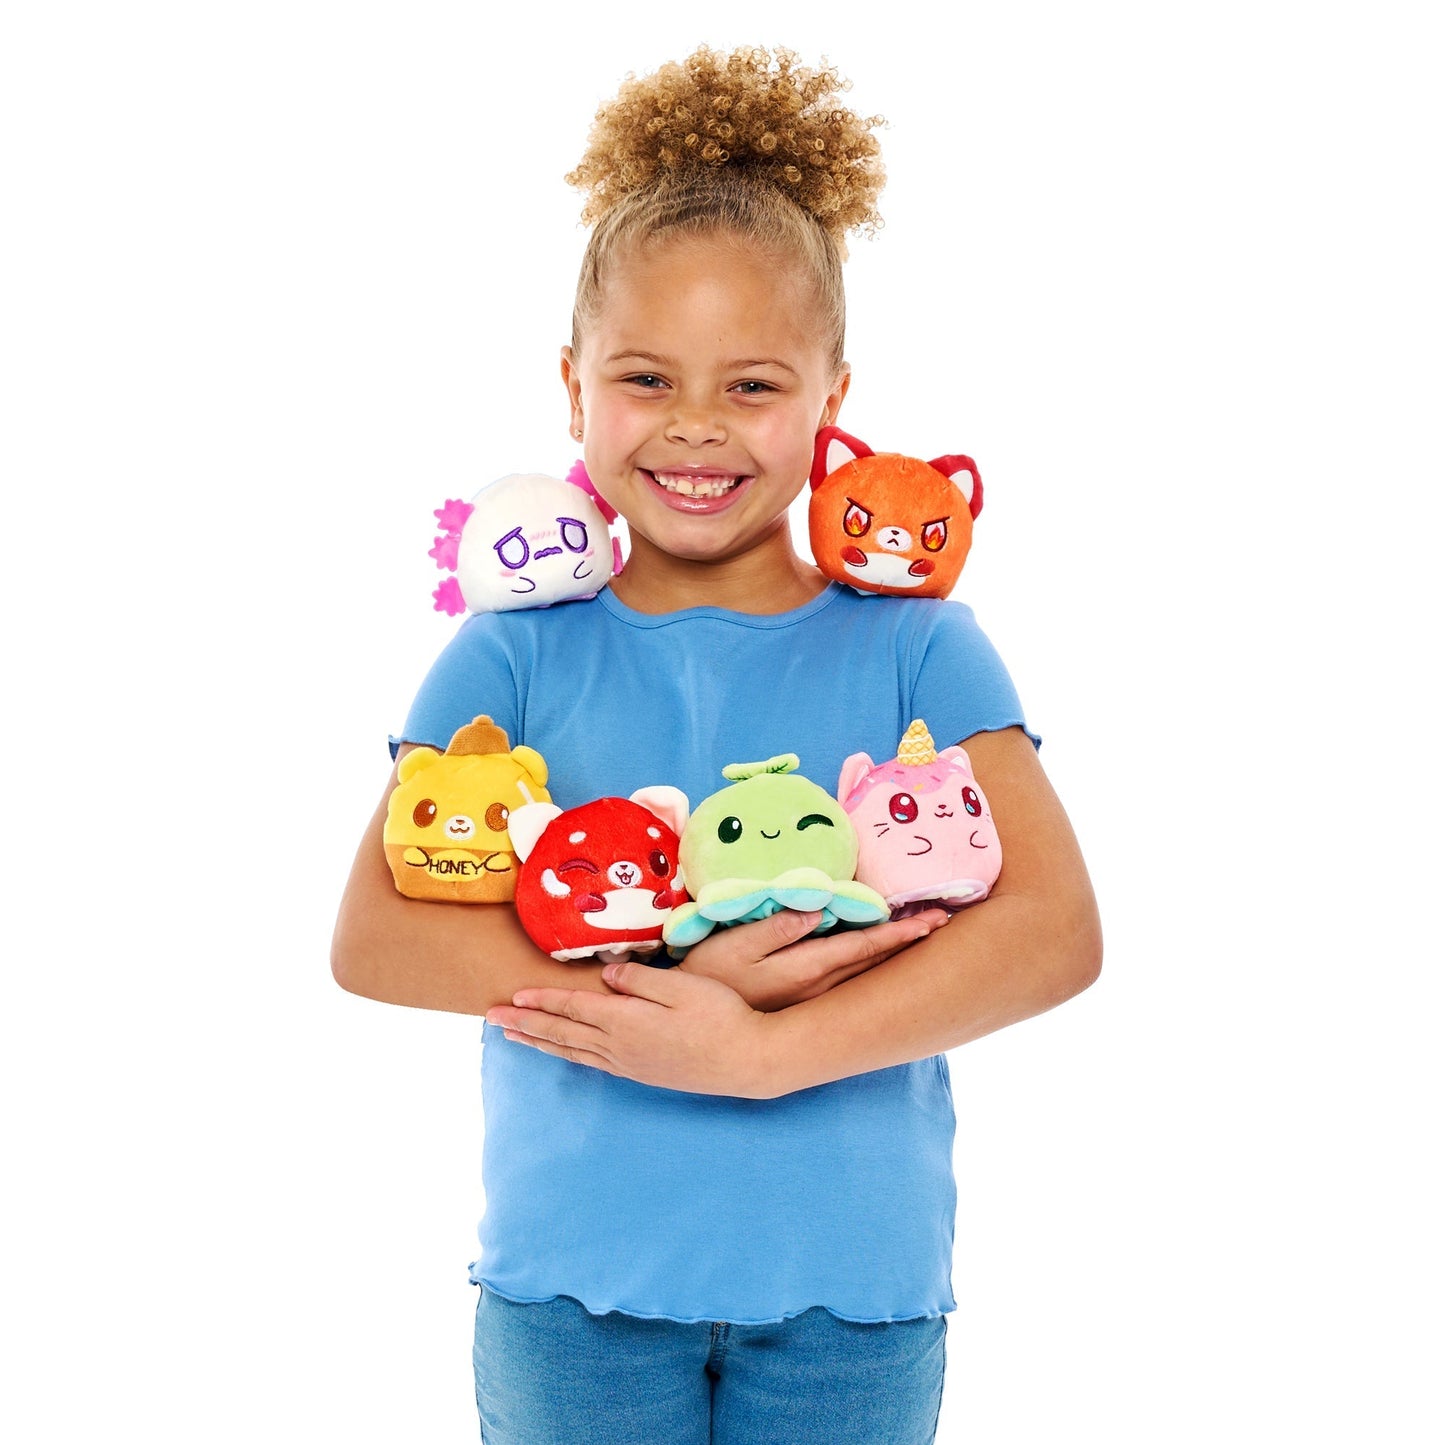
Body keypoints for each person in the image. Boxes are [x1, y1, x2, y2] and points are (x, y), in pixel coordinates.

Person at [332, 44, 1101, 1445]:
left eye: (751, 385)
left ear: (829, 398)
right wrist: (682, 995)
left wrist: (757, 1053)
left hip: (849, 1296)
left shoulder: (917, 646)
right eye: (643, 376)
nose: (693, 424)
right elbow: (373, 938)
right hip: (572, 1294)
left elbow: (1052, 930)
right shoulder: (512, 649)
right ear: (573, 388)